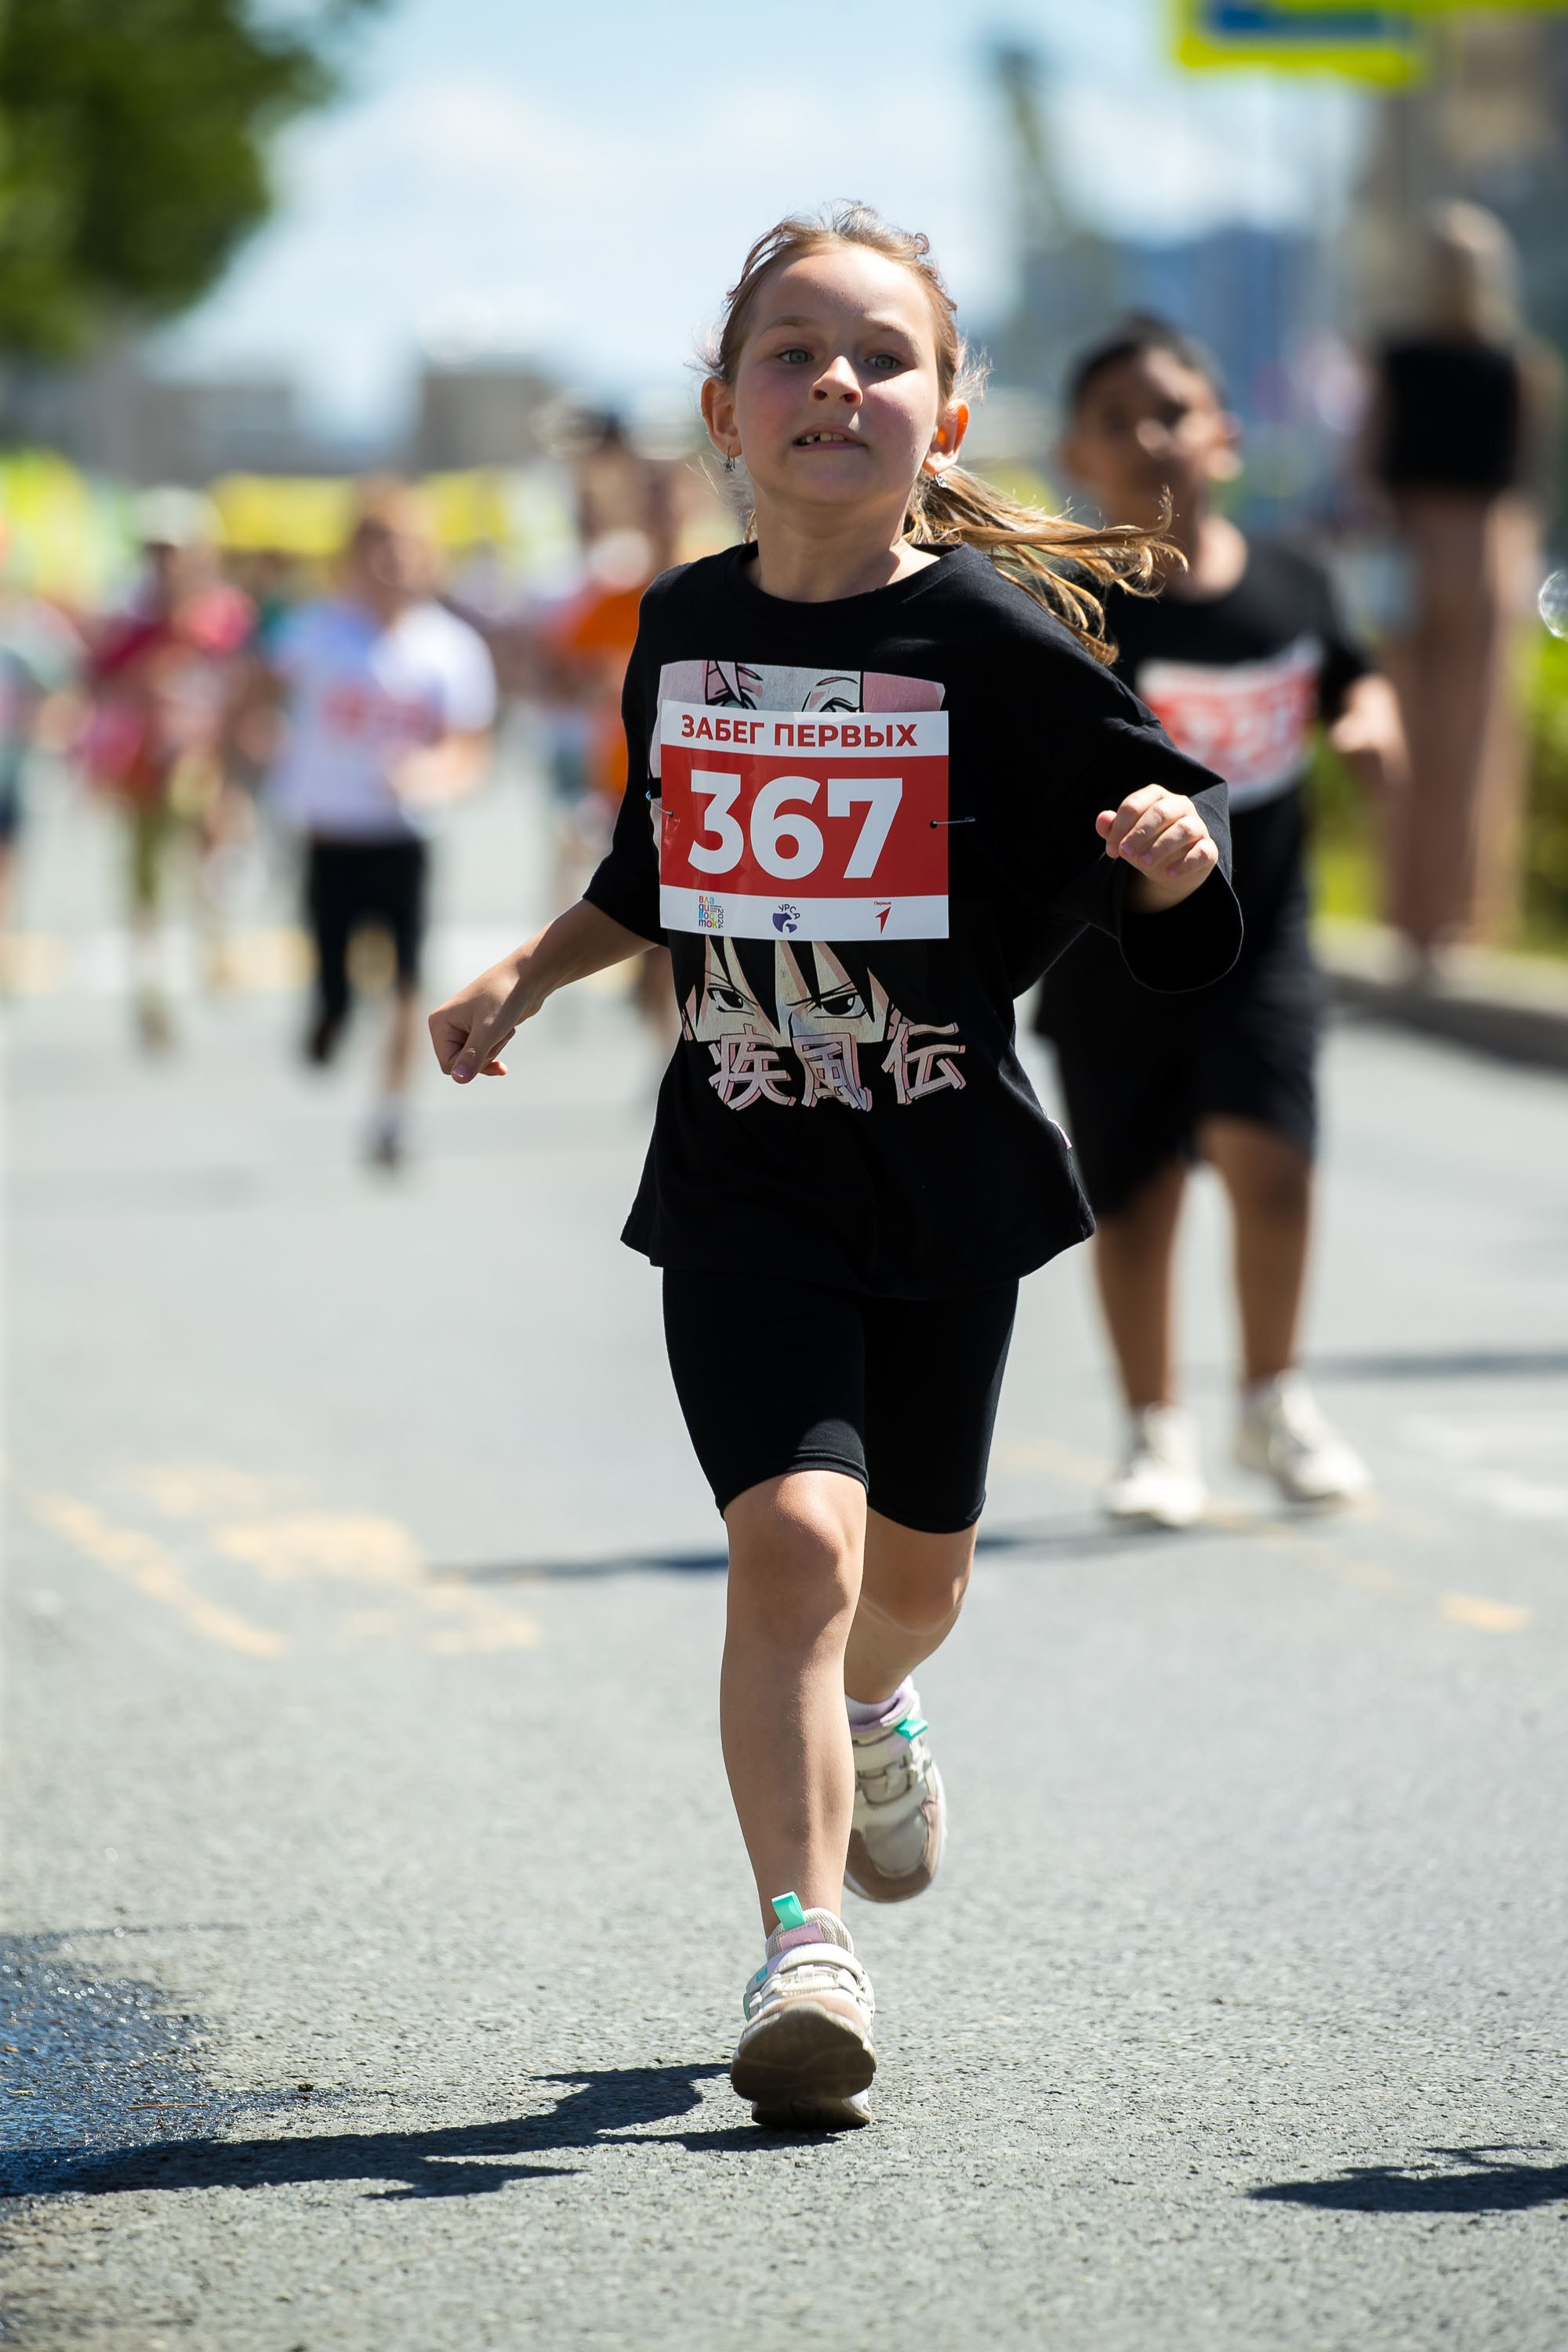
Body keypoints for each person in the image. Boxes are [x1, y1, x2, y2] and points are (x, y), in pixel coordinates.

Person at [429, 208, 1240, 2129]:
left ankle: (880, 1707)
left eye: (879, 354)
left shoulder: (991, 637)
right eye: (791, 353)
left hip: (943, 1168)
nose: (834, 385)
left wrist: (1169, 853)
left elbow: (1177, 835)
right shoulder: (686, 625)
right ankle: (804, 1944)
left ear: (945, 413)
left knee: (915, 1577)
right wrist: (525, 971)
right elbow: (659, 864)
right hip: (742, 1169)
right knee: (788, 1536)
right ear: (723, 408)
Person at [1035, 318, 1406, 1527]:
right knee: (1137, 1204)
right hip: (1113, 955)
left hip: (1266, 944)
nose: (1151, 438)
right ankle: (1155, 1432)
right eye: (1117, 419)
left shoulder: (1294, 579)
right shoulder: (1072, 608)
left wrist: (1371, 724)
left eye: (1174, 412)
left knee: (1275, 1163)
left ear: (1225, 437)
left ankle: (1273, 1402)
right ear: (1076, 454)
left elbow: (1351, 673)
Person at [259, 481, 496, 1167]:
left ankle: (392, 1115)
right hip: (329, 832)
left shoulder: (449, 648)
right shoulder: (313, 632)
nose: (394, 562)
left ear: (428, 557)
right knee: (333, 978)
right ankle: (329, 1016)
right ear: (353, 556)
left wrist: (435, 774)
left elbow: (468, 745)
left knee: (406, 980)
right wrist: (251, 739)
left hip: (404, 836)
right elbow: (256, 691)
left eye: (407, 547)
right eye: (378, 547)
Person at [1370, 201, 1560, 960]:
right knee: (1475, 741)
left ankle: (1405, 913)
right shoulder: (1520, 364)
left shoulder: (1394, 358)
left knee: (1405, 733)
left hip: (1409, 546)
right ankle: (1462, 916)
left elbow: (1368, 464)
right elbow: (1523, 478)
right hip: (1487, 549)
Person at [82, 489, 253, 1047]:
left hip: (199, 762)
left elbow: (242, 687)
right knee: (146, 882)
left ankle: (216, 948)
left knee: (214, 849)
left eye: (175, 551)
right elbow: (98, 683)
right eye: (156, 551)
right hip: (141, 766)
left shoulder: (223, 616)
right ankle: (151, 986)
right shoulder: (128, 621)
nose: (166, 563)